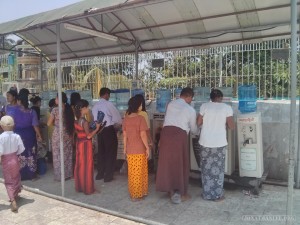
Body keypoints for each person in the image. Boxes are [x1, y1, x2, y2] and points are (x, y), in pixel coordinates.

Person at [156, 87, 198, 204]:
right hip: (179, 136)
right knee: (180, 163)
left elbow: (166, 119)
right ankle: (181, 192)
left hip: (165, 134)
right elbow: (194, 128)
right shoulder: (190, 110)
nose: (191, 100)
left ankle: (169, 190)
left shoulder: (170, 104)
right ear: (189, 97)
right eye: (191, 98)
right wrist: (198, 132)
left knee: (167, 163)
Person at [197, 89, 234, 202]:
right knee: (218, 170)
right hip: (219, 143)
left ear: (211, 98)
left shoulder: (204, 106)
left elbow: (198, 122)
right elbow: (231, 126)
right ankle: (217, 195)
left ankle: (206, 194)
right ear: (221, 98)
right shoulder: (227, 108)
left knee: (206, 169)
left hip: (205, 142)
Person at [92, 87, 122, 182]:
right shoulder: (108, 104)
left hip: (99, 131)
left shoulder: (95, 105)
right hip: (108, 130)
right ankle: (108, 176)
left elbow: (95, 119)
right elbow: (117, 118)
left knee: (101, 152)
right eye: (108, 95)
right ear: (106, 94)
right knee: (111, 153)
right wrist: (117, 125)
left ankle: (100, 174)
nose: (109, 97)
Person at [123, 97, 150, 201]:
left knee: (133, 173)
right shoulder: (140, 119)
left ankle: (136, 192)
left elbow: (125, 136)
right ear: (137, 106)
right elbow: (143, 135)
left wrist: (124, 149)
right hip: (139, 150)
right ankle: (137, 194)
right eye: (140, 105)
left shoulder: (126, 119)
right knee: (140, 172)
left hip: (130, 150)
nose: (141, 106)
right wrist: (147, 148)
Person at [73, 99, 102, 194]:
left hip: (79, 143)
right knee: (87, 166)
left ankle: (80, 186)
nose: (88, 109)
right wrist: (97, 128)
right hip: (86, 144)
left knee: (80, 165)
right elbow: (88, 135)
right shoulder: (84, 121)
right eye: (87, 107)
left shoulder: (76, 120)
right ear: (83, 108)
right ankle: (88, 188)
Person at [13, 89, 42, 181]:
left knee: (19, 154)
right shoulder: (31, 111)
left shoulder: (14, 112)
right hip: (30, 134)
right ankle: (32, 175)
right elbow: (35, 125)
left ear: (20, 101)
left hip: (18, 134)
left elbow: (11, 124)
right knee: (31, 154)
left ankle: (20, 175)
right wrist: (39, 135)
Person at [47, 92, 74, 181]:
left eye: (56, 98)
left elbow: (48, 123)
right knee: (67, 154)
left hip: (58, 133)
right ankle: (68, 174)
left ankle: (59, 175)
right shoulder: (69, 109)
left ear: (59, 99)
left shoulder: (55, 110)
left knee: (57, 155)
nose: (55, 100)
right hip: (68, 132)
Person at [0, 116, 25, 212]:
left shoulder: (1, 138)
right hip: (15, 158)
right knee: (16, 176)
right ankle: (16, 195)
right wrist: (15, 153)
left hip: (6, 160)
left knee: (9, 180)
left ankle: (13, 200)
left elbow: (0, 151)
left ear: (1, 126)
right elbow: (21, 149)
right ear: (13, 125)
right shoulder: (17, 136)